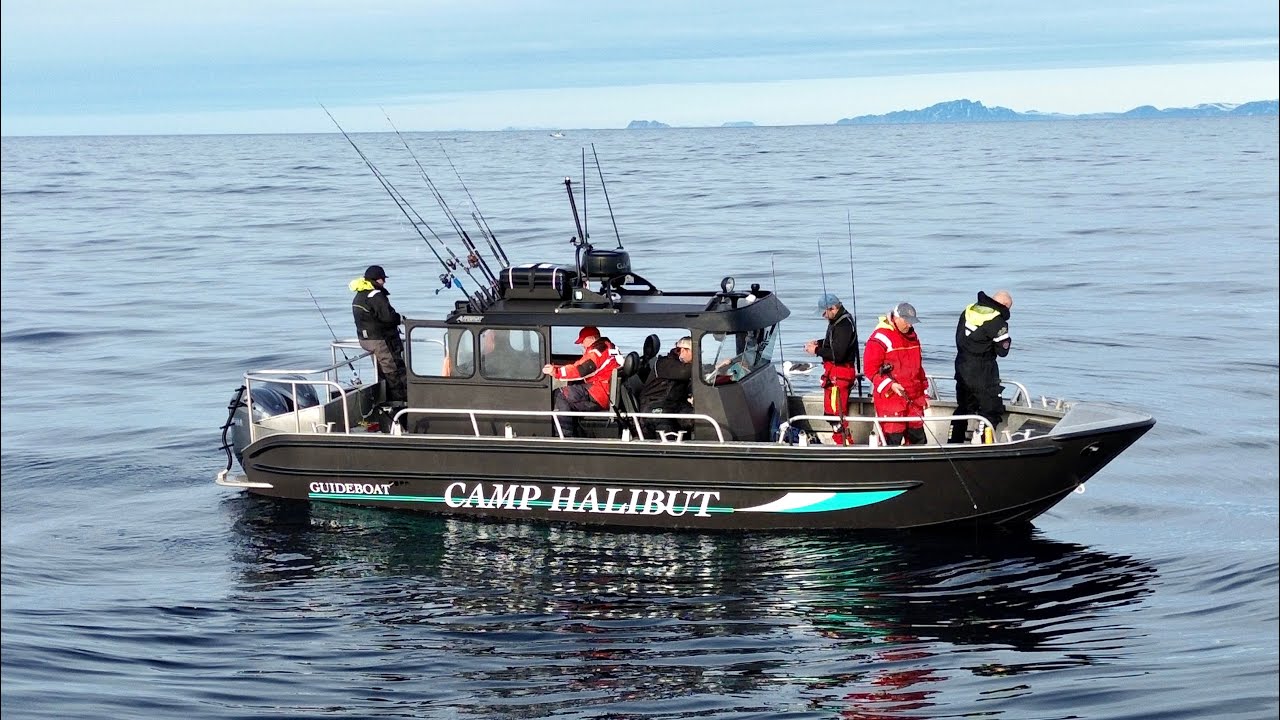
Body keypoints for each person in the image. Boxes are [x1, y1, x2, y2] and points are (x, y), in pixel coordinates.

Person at [949, 290, 1013, 444]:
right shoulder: (996, 321)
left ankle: (953, 441)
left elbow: (959, 338)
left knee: (963, 407)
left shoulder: (968, 311)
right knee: (991, 409)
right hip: (982, 370)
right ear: (1004, 305)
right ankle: (985, 443)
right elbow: (1003, 351)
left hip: (962, 365)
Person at [863, 302, 929, 446]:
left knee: (919, 439)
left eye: (911, 322)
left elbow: (918, 367)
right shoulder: (880, 337)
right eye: (907, 322)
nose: (910, 326)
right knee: (892, 439)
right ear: (896, 318)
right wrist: (890, 385)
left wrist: (923, 392)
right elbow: (870, 370)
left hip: (913, 398)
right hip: (891, 399)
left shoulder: (912, 335)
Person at [542, 326, 620, 436]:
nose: (582, 345)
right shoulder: (609, 347)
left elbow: (581, 370)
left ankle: (565, 435)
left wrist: (556, 372)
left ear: (592, 339)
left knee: (560, 394)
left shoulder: (597, 352)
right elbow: (581, 365)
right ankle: (576, 430)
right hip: (606, 391)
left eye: (583, 341)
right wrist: (559, 368)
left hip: (598, 394)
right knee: (571, 388)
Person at [804, 293, 860, 445]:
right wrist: (819, 343)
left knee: (836, 414)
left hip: (840, 375)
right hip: (833, 375)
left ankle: (844, 442)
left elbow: (839, 354)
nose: (823, 316)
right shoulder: (837, 321)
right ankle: (839, 440)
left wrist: (816, 351)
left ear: (833, 308)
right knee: (830, 413)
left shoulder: (843, 325)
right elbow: (835, 342)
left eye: (825, 312)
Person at [350, 264, 406, 402]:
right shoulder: (376, 295)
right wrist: (400, 318)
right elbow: (388, 317)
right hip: (380, 340)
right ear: (377, 279)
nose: (384, 282)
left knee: (381, 371)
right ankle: (400, 404)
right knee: (393, 371)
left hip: (365, 340)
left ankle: (385, 400)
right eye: (383, 279)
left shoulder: (360, 295)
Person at [637, 336, 694, 436]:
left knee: (697, 418)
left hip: (674, 405)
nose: (698, 358)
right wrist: (706, 368)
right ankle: (668, 449)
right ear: (684, 351)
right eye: (697, 354)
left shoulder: (681, 364)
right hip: (654, 405)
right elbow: (685, 372)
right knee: (665, 425)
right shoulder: (665, 363)